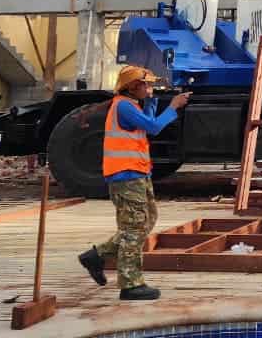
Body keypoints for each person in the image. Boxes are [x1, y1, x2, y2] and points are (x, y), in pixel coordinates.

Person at [78, 66, 189, 300]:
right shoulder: (124, 106)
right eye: (145, 85)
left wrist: (151, 102)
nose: (149, 88)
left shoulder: (132, 105)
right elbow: (154, 127)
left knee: (147, 220)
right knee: (134, 228)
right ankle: (130, 284)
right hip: (125, 176)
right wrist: (173, 106)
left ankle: (97, 255)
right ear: (132, 86)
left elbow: (146, 124)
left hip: (137, 173)